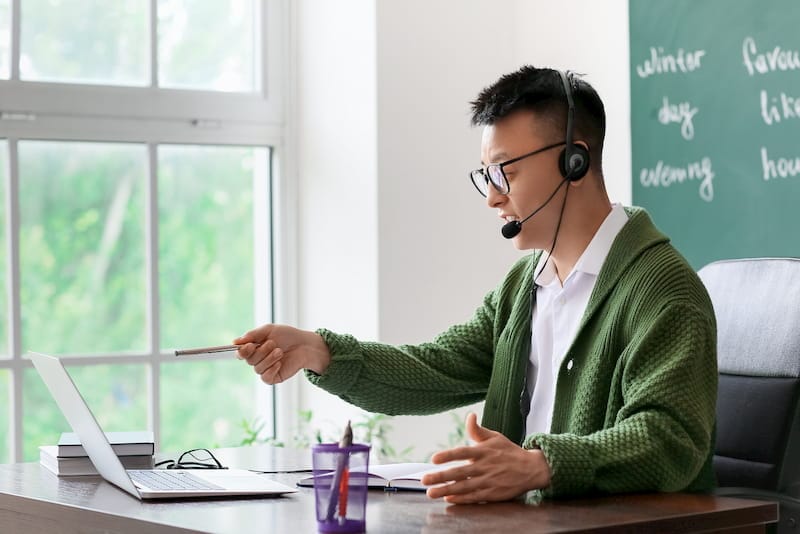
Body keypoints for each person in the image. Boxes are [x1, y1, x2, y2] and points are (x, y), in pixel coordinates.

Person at [235, 65, 718, 504]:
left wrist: (539, 465)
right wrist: (318, 351)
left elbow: (669, 438)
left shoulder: (663, 289)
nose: (492, 197)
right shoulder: (525, 285)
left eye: (506, 172)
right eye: (487, 175)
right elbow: (436, 369)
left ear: (574, 161)